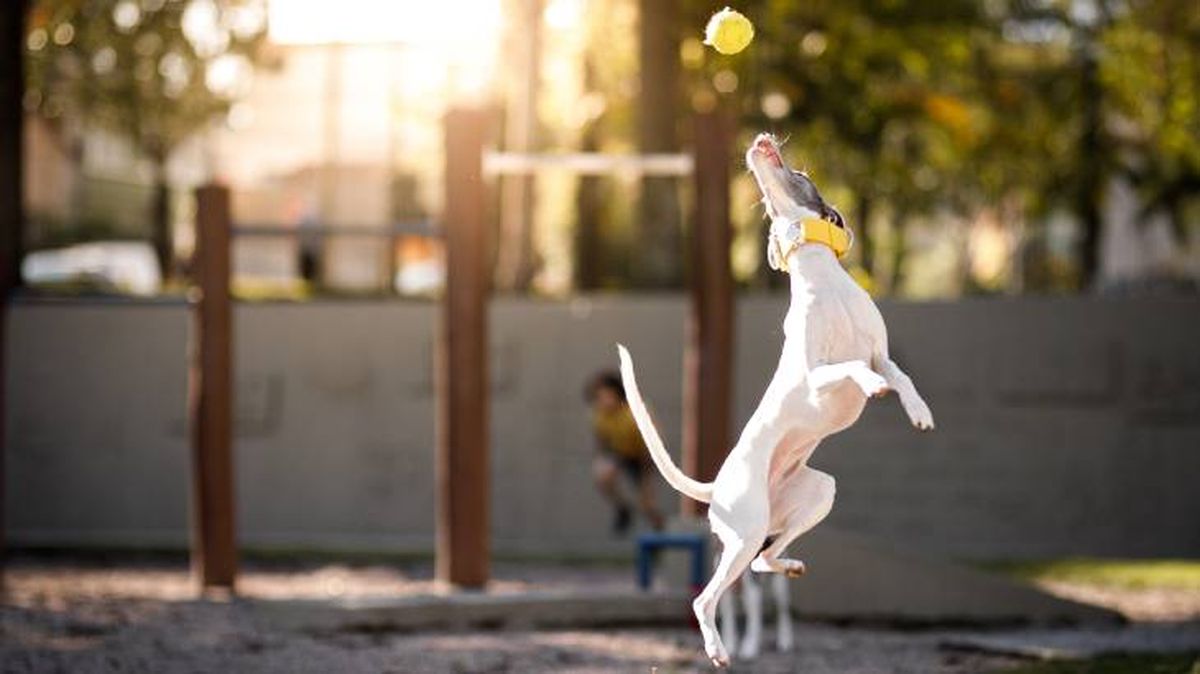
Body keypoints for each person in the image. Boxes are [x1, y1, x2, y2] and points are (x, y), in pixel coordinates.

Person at [584, 370, 665, 535]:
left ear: (617, 394)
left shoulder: (633, 414)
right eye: (599, 398)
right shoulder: (599, 415)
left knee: (646, 503)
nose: (603, 403)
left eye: (607, 397)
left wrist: (645, 481)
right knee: (602, 475)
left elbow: (650, 448)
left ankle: (658, 530)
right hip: (620, 453)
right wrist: (603, 461)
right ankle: (622, 509)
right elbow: (601, 441)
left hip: (643, 456)